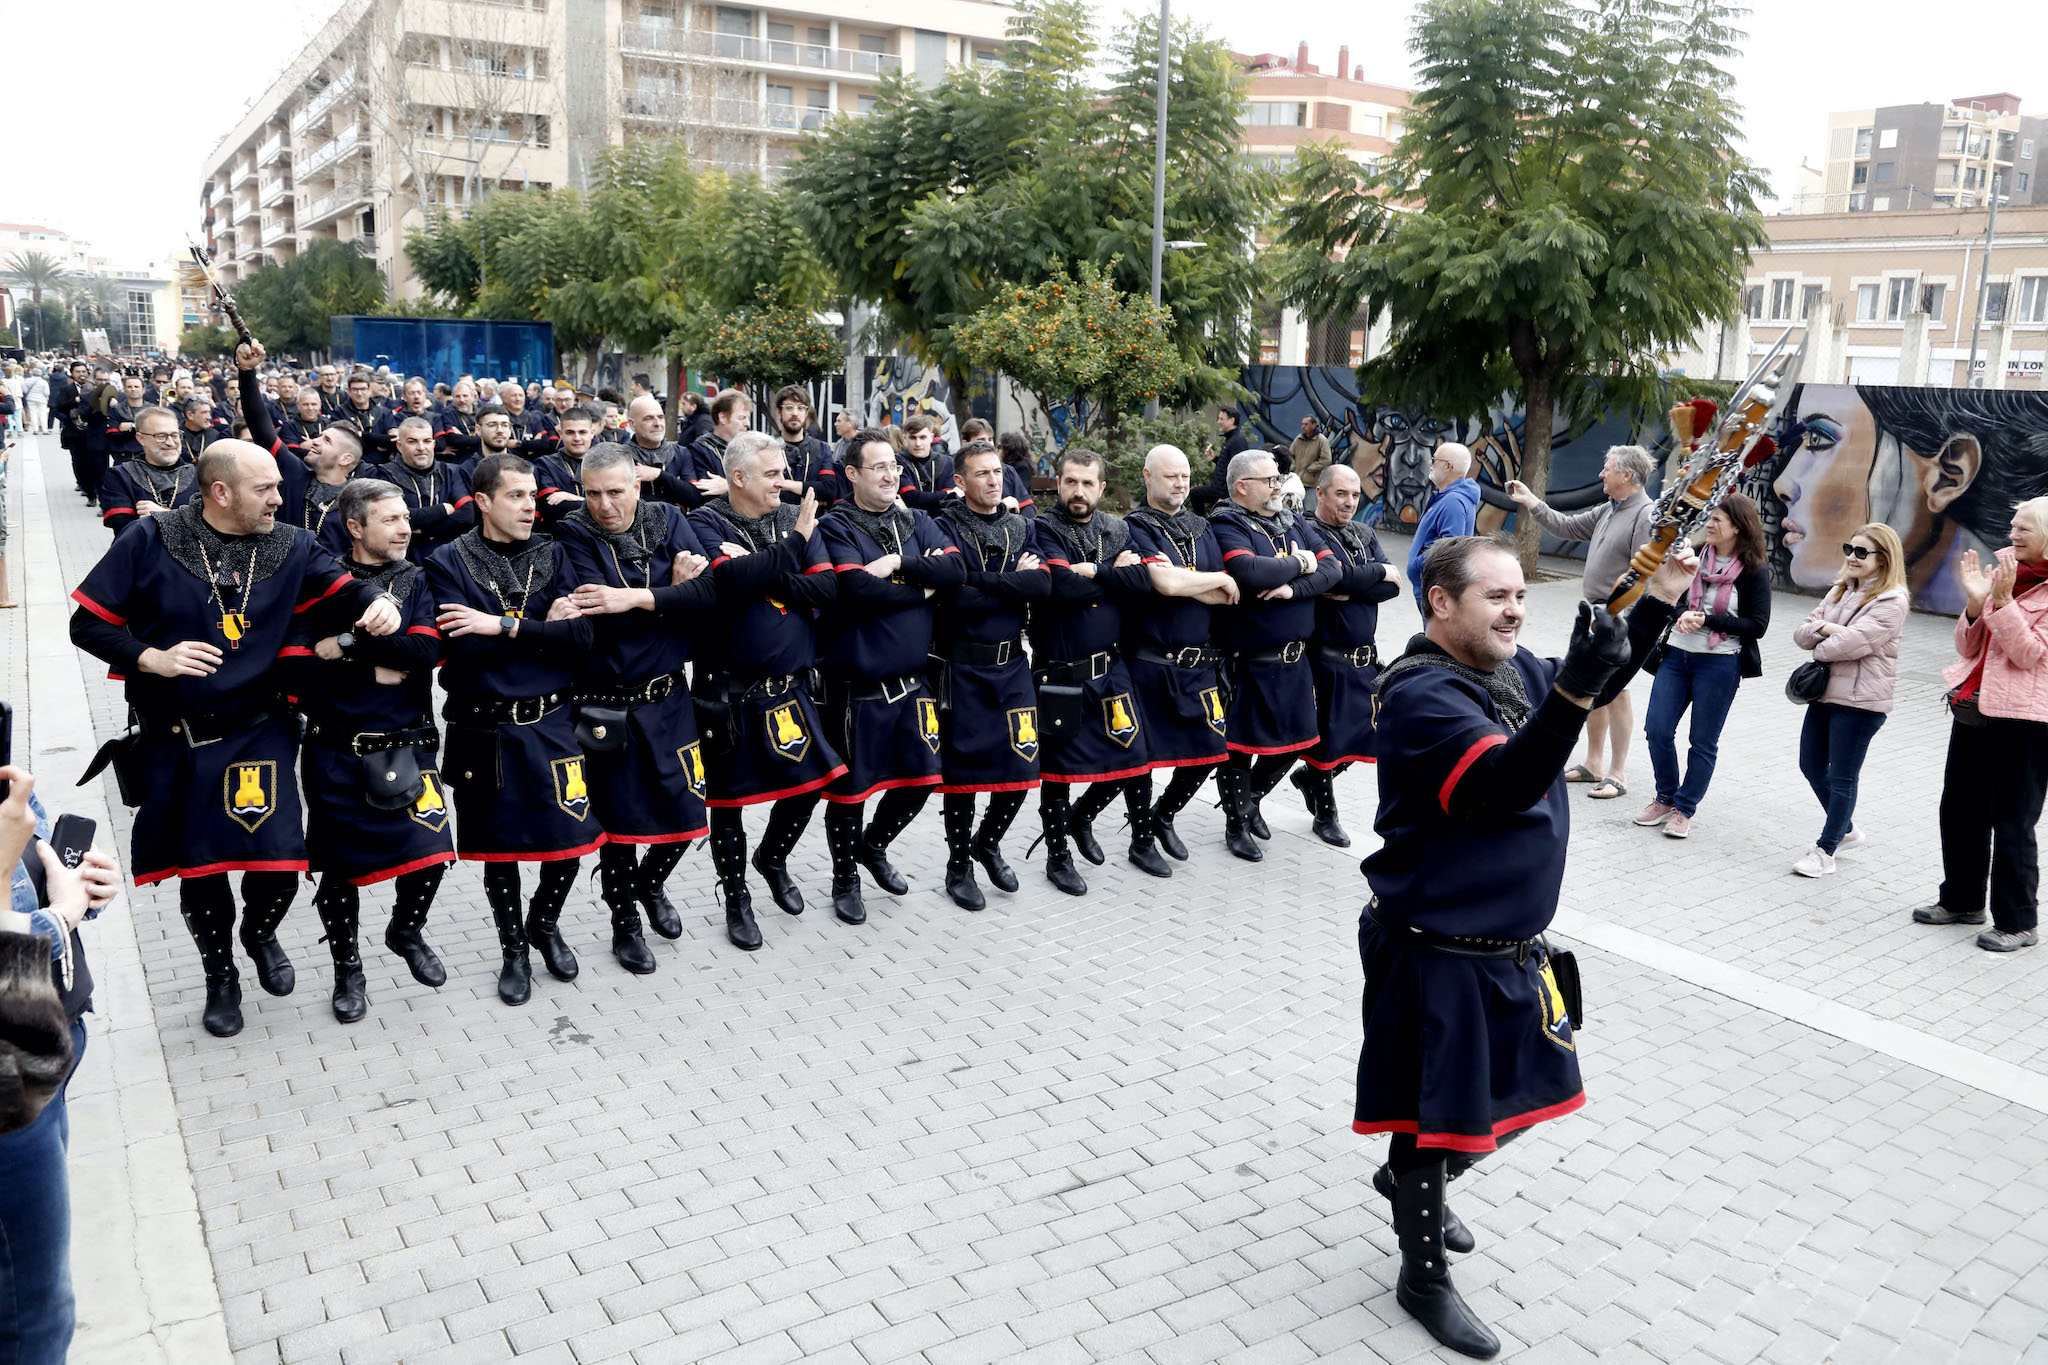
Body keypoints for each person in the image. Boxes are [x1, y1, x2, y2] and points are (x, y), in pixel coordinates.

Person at [1360, 532, 1697, 1357]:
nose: (1516, 609)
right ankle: (1422, 1273)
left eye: (1521, 594)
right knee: (1437, 1122)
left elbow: (1598, 674)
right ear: (1440, 602)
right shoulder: (1419, 694)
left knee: (1524, 1095)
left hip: (1511, 948)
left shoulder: (1508, 670)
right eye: (1495, 596)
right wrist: (1577, 686)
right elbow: (1501, 786)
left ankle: (1416, 1183)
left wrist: (1658, 600)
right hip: (1435, 949)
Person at [69, 440, 403, 1036]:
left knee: (276, 862)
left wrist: (377, 601)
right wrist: (151, 657)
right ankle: (219, 975)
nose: (280, 497)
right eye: (265, 488)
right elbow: (86, 622)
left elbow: (343, 584)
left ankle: (258, 931)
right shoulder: (148, 540)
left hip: (259, 728)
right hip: (176, 735)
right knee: (201, 869)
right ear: (220, 492)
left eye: (279, 485)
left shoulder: (293, 543)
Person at [426, 455, 603, 1003]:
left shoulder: (555, 552)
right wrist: (538, 630)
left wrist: (500, 625)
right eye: (517, 496)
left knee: (569, 841)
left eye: (533, 495)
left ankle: (543, 924)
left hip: (552, 722)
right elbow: (461, 650)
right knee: (500, 852)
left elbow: (583, 639)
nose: (531, 505)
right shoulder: (446, 561)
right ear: (482, 501)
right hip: (486, 730)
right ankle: (512, 950)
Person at [276, 480, 455, 1021]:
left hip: (409, 748)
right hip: (336, 751)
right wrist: (369, 668)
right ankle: (346, 970)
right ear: (355, 528)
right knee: (338, 873)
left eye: (406, 517)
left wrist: (347, 646)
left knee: (433, 854)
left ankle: (406, 930)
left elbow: (426, 650)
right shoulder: (321, 583)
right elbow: (293, 666)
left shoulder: (417, 579)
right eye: (391, 520)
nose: (405, 527)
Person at [556, 446, 720, 972]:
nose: (604, 505)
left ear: (637, 486)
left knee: (688, 810)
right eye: (593, 493)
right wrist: (668, 593)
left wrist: (636, 599)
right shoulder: (572, 532)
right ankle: (623, 921)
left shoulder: (668, 517)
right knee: (622, 823)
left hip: (670, 698)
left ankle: (650, 884)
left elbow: (709, 594)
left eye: (615, 491)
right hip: (607, 706)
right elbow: (597, 620)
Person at [687, 434, 840, 950]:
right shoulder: (703, 521)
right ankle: (736, 897)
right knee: (726, 802)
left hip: (791, 689)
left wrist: (765, 574)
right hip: (727, 692)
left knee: (811, 784)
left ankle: (771, 858)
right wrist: (791, 550)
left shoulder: (793, 515)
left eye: (783, 473)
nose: (784, 482)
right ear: (739, 478)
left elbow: (828, 589)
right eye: (773, 474)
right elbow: (725, 584)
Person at [816, 432, 965, 923]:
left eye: (894, 467)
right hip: (857, 690)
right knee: (852, 794)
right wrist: (920, 592)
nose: (890, 475)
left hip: (912, 684)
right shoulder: (835, 524)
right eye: (878, 467)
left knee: (923, 779)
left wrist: (901, 563)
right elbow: (855, 587)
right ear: (852, 474)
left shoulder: (916, 519)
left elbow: (956, 571)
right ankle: (845, 879)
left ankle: (873, 847)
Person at [0, 762, 120, 1365]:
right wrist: (60, 917)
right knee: (32, 1318)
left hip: (44, 1041)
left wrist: (78, 884)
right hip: (11, 1076)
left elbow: (30, 846)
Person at [1915, 498, 2048, 951]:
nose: (2012, 534)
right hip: (1977, 708)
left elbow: (2030, 654)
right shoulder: (2003, 574)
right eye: (2012, 525)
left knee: (2013, 821)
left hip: (2027, 722)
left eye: (2024, 528)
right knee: (1960, 809)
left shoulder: (2018, 587)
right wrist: (1975, 607)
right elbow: (1969, 648)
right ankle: (1962, 900)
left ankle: (2018, 922)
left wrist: (2004, 603)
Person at [1028, 449, 1156, 896]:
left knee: (1135, 757)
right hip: (1058, 673)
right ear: (1058, 483)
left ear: (1102, 488)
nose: (1078, 492)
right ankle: (1057, 855)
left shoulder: (1118, 529)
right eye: (1070, 482)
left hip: (1111, 668)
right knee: (1058, 772)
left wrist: (1095, 572)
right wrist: (1112, 576)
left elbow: (1143, 584)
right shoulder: (1040, 529)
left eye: (1087, 483)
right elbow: (1061, 587)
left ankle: (1137, 839)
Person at [932, 440, 1051, 909]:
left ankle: (989, 841)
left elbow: (1041, 585)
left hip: (1011, 665)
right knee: (962, 776)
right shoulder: (943, 525)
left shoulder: (1023, 526)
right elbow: (953, 596)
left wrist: (979, 581)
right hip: (961, 666)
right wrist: (1008, 584)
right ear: (960, 482)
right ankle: (958, 864)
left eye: (997, 472)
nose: (994, 480)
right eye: (981, 474)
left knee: (1022, 768)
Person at [1507, 444, 1658, 801]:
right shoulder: (1610, 508)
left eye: (1607, 469)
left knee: (1617, 691)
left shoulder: (1645, 515)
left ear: (1627, 475)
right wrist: (1531, 501)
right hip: (1596, 612)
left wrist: (1621, 617)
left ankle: (1617, 773)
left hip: (1618, 617)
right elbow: (1568, 526)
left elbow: (1644, 573)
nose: (1601, 475)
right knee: (1593, 689)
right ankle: (1593, 763)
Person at [1209, 450, 1340, 859]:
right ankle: (1236, 824)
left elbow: (1332, 569)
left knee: (1296, 743)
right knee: (1241, 748)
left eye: (1279, 479)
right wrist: (1302, 560)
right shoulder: (1226, 521)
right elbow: (1249, 573)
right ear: (1241, 486)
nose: (1278, 486)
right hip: (1251, 659)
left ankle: (1250, 803)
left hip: (1296, 659)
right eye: (1269, 480)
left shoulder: (1293, 519)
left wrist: (1292, 587)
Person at [1122, 445, 1241, 864]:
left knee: (1210, 751)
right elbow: (1164, 584)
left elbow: (1222, 595)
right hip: (1149, 662)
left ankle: (1163, 816)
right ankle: (1140, 840)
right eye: (1171, 476)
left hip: (1199, 665)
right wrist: (1212, 581)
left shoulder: (1202, 527)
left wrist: (1193, 581)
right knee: (1143, 761)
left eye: (1186, 476)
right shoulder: (1135, 527)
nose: (1180, 483)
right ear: (1148, 476)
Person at [1635, 493, 1771, 839]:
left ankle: (1684, 808)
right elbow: (1672, 600)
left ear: (1738, 528)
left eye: (1717, 520)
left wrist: (1707, 620)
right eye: (1709, 518)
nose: (1709, 525)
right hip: (1677, 657)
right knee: (1658, 729)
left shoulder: (1754, 571)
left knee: (1703, 742)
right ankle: (1665, 797)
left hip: (1720, 665)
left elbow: (1758, 625)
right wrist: (1681, 616)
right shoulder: (1691, 557)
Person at [1789, 524, 1908, 879]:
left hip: (1860, 702)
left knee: (1842, 777)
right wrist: (1828, 630)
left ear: (1884, 559)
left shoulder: (1892, 600)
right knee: (1810, 764)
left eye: (1861, 552)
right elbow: (1801, 633)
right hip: (1826, 694)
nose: (1851, 558)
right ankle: (1847, 829)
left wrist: (1824, 634)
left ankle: (1826, 850)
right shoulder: (1842, 590)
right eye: (1849, 549)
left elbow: (1847, 645)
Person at [1292, 463, 1400, 846]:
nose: (1350, 502)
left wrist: (1352, 587)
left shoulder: (1363, 532)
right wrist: (1372, 575)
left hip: (1364, 656)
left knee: (1366, 735)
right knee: (1327, 738)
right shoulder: (1305, 530)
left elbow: (1393, 585)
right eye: (1341, 494)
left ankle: (1305, 780)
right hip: (1325, 654)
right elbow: (1332, 575)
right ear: (1319, 493)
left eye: (1355, 495)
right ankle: (1326, 813)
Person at [376, 416, 473, 559]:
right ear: (399, 446)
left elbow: (467, 515)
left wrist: (425, 531)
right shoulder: (384, 474)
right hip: (404, 560)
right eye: (412, 441)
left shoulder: (451, 471)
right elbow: (393, 518)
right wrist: (443, 509)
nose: (421, 448)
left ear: (433, 444)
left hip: (448, 557)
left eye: (427, 441)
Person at [98, 406, 197, 536]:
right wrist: (183, 520)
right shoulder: (120, 475)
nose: (170, 442)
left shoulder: (200, 475)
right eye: (161, 436)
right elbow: (126, 528)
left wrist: (165, 515)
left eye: (175, 435)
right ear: (140, 438)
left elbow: (211, 528)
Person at [1406, 443, 1480, 614]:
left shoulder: (1453, 502)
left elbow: (1449, 550)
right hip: (1430, 589)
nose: (1430, 464)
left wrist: (1417, 565)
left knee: (1437, 640)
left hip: (1435, 590)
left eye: (1434, 460)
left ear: (1448, 466)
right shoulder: (1448, 498)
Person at [771, 385, 841, 505]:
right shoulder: (766, 448)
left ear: (806, 412)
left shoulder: (822, 449)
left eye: (800, 408)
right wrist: (811, 491)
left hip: (815, 521)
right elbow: (764, 488)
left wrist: (788, 485)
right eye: (789, 408)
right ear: (779, 412)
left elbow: (829, 490)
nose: (795, 413)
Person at [1192, 405, 1251, 513]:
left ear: (1232, 420)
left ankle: (1200, 525)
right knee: (1195, 494)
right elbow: (1229, 463)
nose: (1218, 422)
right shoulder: (1231, 439)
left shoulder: (1237, 441)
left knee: (1195, 494)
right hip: (1218, 489)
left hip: (1222, 492)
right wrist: (1214, 458)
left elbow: (1237, 470)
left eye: (1221, 419)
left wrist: (1224, 496)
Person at [896, 414, 955, 512]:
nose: (918, 443)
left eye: (922, 437)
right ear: (905, 438)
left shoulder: (948, 462)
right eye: (913, 438)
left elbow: (950, 501)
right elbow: (911, 497)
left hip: (942, 522)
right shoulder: (898, 461)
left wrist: (949, 495)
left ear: (931, 437)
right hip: (909, 521)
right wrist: (946, 494)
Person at [435, 379, 481, 467]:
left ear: (473, 397)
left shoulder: (481, 413)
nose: (461, 400)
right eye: (457, 396)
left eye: (465, 396)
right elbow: (454, 439)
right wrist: (479, 438)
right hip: (458, 463)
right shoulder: (448, 414)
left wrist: (465, 439)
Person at [996, 431, 1039, 517]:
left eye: (1000, 447)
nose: (998, 451)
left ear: (1009, 449)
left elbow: (1021, 494)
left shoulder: (1021, 468)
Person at [1290, 414, 1333, 492]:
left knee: (1310, 504)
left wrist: (1311, 468)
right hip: (1296, 482)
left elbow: (1326, 460)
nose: (1303, 427)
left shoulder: (1322, 440)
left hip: (1311, 484)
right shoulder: (1298, 439)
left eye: (1306, 424)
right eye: (1302, 424)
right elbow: (1290, 455)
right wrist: (1293, 467)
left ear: (1314, 425)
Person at [24, 368, 49, 434]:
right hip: (42, 399)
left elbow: (25, 390)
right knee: (43, 414)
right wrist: (46, 398)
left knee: (33, 414)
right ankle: (45, 429)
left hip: (30, 398)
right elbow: (47, 392)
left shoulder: (28, 380)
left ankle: (35, 429)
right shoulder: (44, 382)